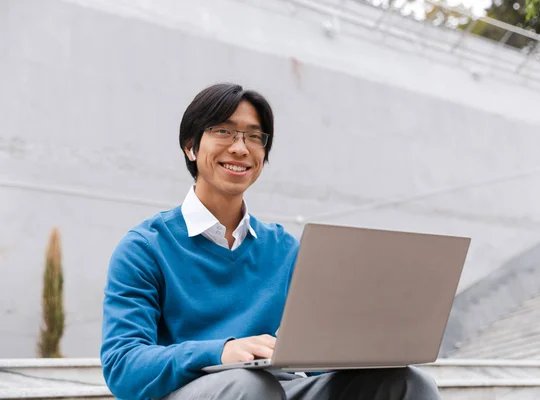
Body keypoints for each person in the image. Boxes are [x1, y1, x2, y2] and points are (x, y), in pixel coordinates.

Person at [101, 83, 441, 400]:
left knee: (408, 383)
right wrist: (220, 351)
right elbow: (122, 365)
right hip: (204, 391)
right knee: (251, 384)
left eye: (254, 137)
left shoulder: (283, 248)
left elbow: (312, 357)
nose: (240, 147)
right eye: (223, 131)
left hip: (281, 389)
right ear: (190, 146)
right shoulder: (144, 247)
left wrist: (364, 347)